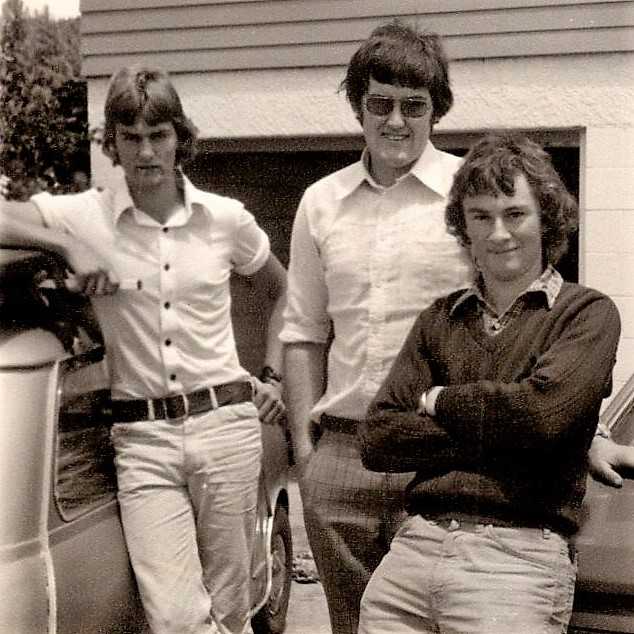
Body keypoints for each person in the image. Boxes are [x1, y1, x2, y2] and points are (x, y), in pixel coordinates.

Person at [281, 19, 634, 634]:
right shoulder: (320, 202)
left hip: (453, 466)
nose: (396, 120)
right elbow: (303, 333)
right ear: (358, 106)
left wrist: (581, 431)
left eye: (413, 105)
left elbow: (531, 323)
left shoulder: (476, 191)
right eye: (380, 104)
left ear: (436, 109)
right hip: (348, 449)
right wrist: (308, 457)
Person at [0, 65, 286, 634]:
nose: (146, 152)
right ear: (112, 142)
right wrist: (64, 245)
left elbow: (285, 292)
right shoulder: (84, 216)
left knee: (231, 610)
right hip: (143, 441)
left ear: (180, 137)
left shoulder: (224, 218)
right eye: (130, 137)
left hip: (225, 428)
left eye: (159, 135)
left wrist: (274, 376)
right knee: (175, 619)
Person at [357, 132, 621, 634]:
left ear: (546, 218)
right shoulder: (439, 319)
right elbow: (378, 438)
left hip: (515, 561)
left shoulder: (586, 314)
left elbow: (541, 417)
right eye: (481, 216)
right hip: (412, 554)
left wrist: (438, 400)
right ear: (464, 227)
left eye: (514, 214)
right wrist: (514, 431)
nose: (499, 233)